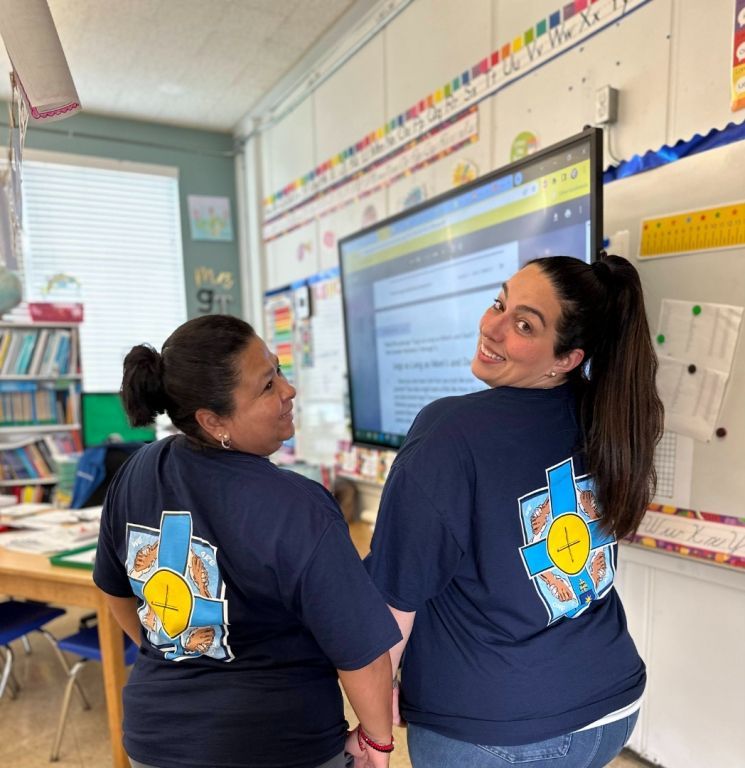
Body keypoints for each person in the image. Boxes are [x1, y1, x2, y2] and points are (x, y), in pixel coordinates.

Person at [365, 254, 664, 768]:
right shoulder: (608, 415)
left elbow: (394, 602)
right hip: (614, 703)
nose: (492, 327)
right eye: (499, 303)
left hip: (497, 730)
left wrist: (373, 730)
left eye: (524, 324)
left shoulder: (449, 432)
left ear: (567, 358)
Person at [93, 314, 401, 768]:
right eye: (267, 386)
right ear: (212, 420)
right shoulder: (298, 506)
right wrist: (376, 743)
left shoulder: (137, 472)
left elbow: (113, 590)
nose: (288, 391)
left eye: (279, 370)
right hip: (274, 744)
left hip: (154, 742)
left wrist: (182, 647)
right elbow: (363, 656)